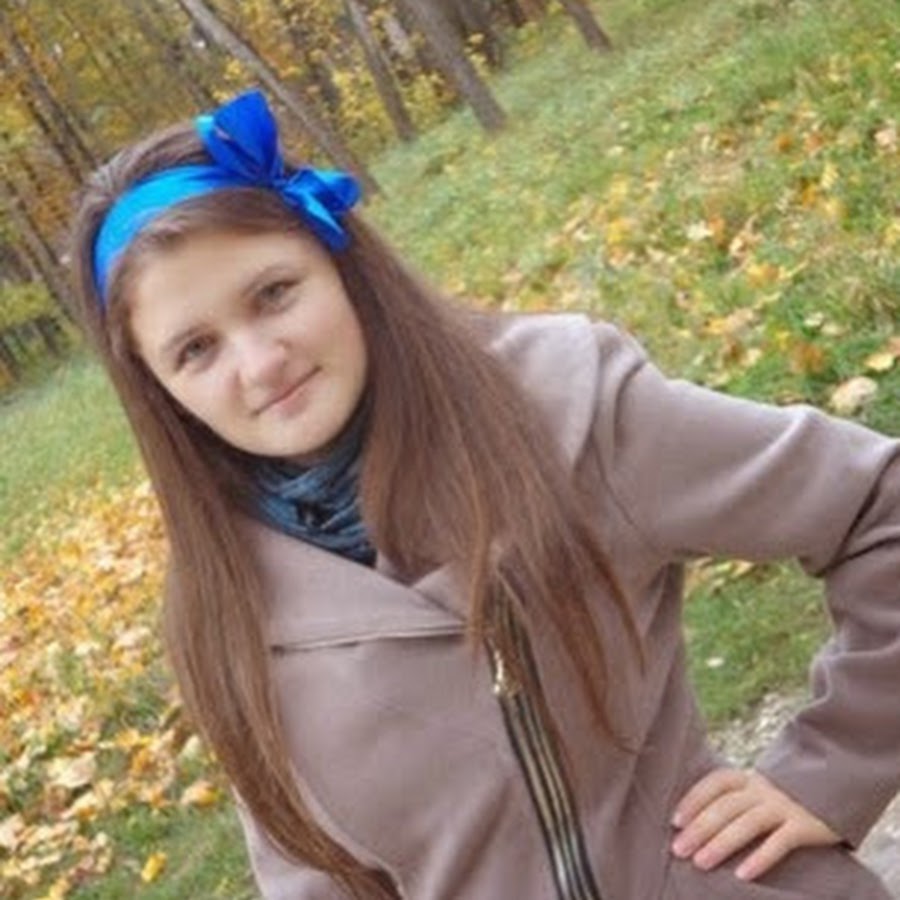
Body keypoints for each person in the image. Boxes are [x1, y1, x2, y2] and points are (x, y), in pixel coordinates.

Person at [69, 89, 899, 900]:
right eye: (196, 349)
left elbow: (877, 507)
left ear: (339, 263)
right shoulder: (224, 607)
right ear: (159, 390)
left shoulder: (563, 412)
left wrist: (829, 770)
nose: (260, 363)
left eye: (274, 293)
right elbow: (311, 870)